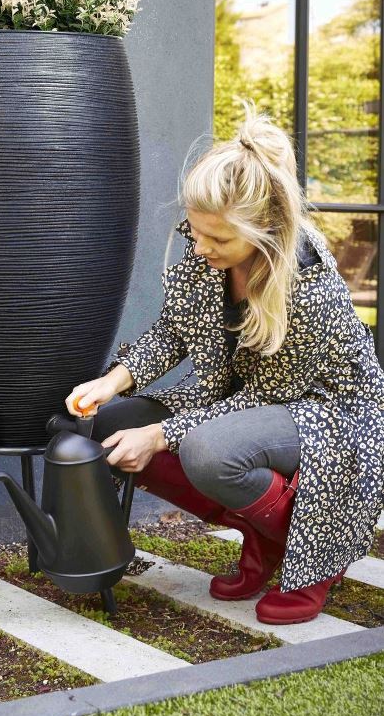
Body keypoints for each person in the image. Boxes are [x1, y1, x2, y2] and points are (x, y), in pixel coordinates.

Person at [65, 100, 384, 626]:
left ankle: (316, 551)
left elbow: (268, 397)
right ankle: (266, 536)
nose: (203, 247)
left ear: (265, 230)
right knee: (114, 421)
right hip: (248, 393)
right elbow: (175, 330)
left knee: (209, 451)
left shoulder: (306, 287)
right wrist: (111, 382)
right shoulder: (207, 247)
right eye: (196, 233)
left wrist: (162, 434)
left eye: (219, 239)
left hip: (335, 409)